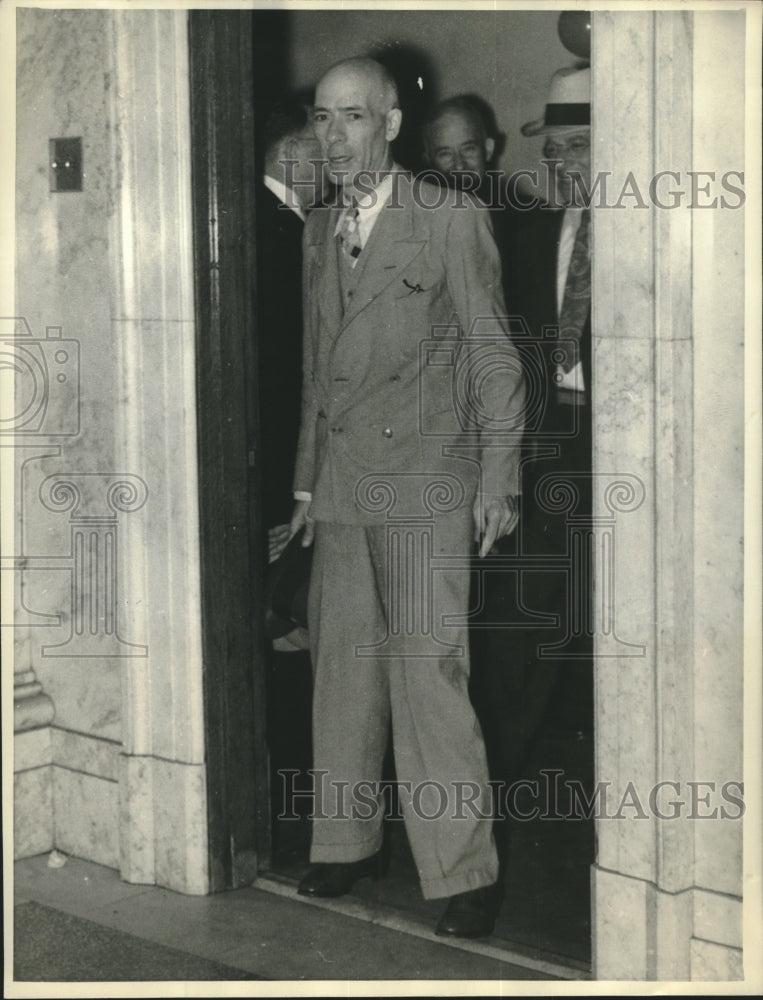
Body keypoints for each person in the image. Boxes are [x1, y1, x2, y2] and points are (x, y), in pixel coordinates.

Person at [289, 57, 525, 939]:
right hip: (347, 480)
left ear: (390, 125)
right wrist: (306, 483)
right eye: (322, 118)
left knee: (429, 677)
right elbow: (319, 368)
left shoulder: (449, 217)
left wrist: (499, 475)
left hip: (429, 474)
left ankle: (465, 872)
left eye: (353, 117)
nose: (334, 136)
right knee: (342, 674)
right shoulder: (321, 227)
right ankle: (345, 844)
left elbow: (493, 351)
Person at [474, 65, 593, 805]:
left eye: (579, 146)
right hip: (547, 447)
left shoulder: (665, 235)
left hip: (630, 452)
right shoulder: (529, 233)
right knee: (517, 628)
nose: (563, 166)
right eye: (553, 152)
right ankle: (487, 802)